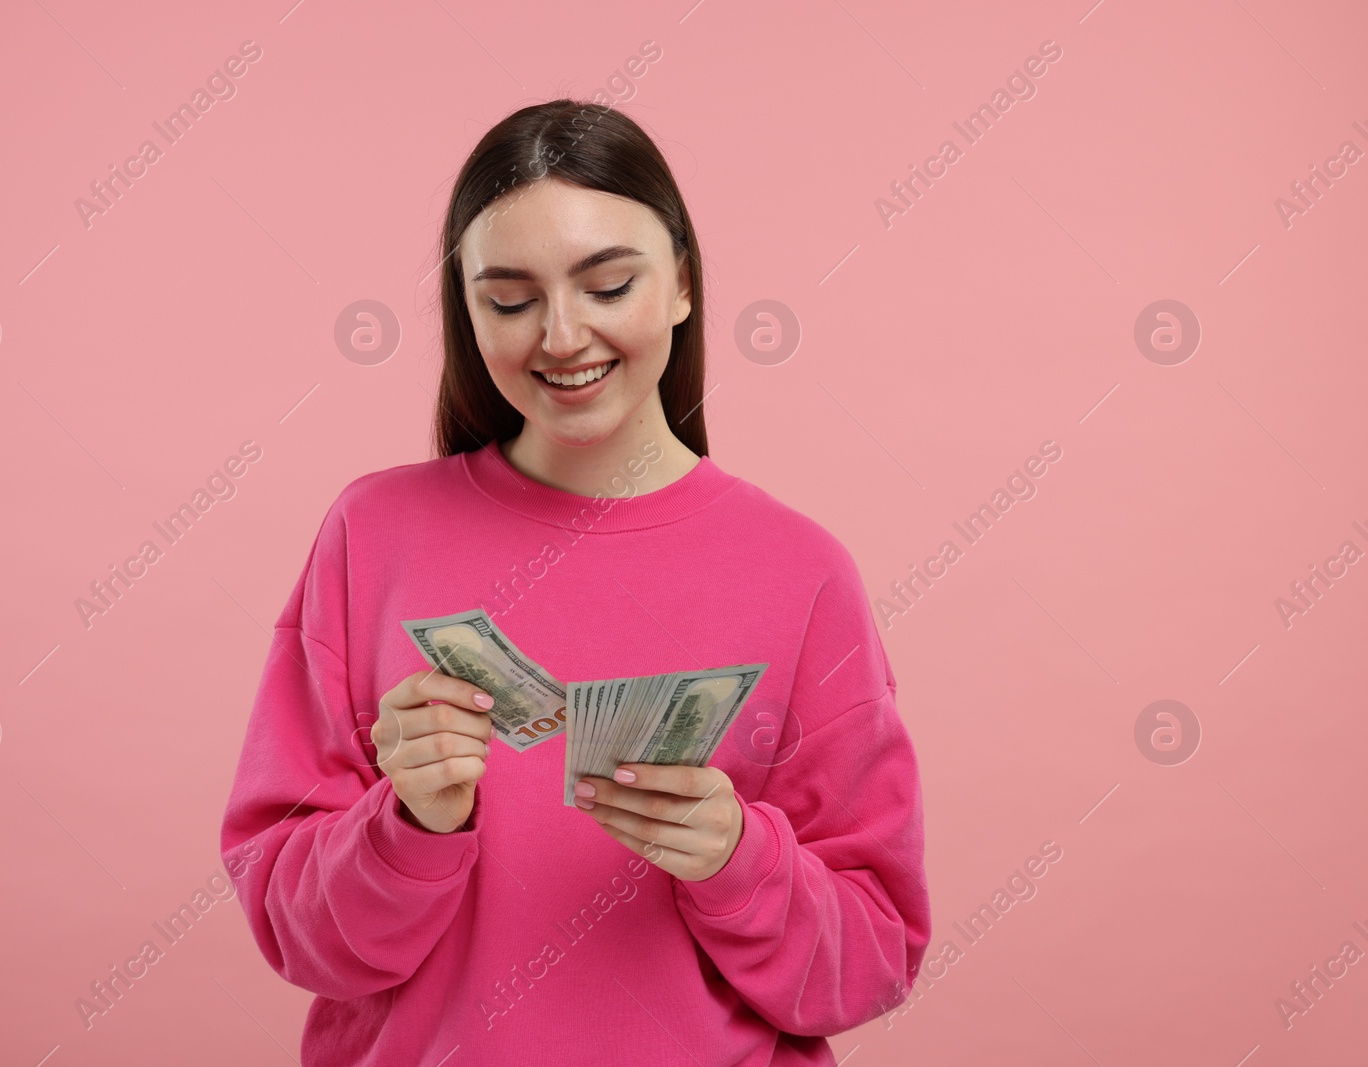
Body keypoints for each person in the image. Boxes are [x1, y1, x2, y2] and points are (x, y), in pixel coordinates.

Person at [219, 98, 930, 1066]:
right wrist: (409, 822)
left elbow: (871, 962)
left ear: (680, 282)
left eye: (607, 286)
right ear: (465, 313)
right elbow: (301, 938)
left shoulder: (802, 571)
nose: (561, 335)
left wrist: (738, 859)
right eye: (509, 299)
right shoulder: (371, 534)